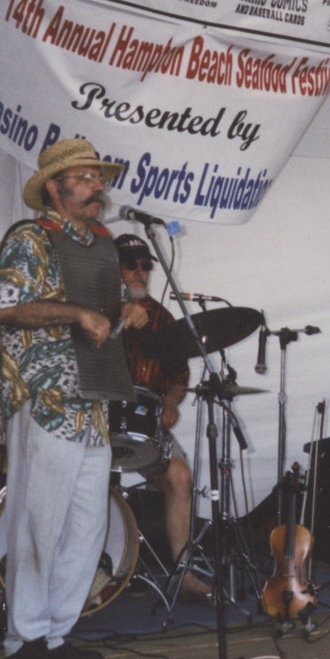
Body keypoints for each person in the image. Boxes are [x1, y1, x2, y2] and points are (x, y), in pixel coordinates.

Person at [0, 139, 148, 659]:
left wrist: (126, 312)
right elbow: (6, 307)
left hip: (94, 399)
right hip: (48, 397)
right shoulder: (30, 238)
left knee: (88, 525)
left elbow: (101, 321)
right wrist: (78, 311)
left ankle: (55, 634)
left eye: (99, 178)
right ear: (55, 188)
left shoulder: (102, 244)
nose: (98, 187)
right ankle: (23, 642)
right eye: (85, 177)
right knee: (39, 522)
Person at [114, 233, 212, 598]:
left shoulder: (161, 317)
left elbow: (177, 377)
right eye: (131, 266)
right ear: (115, 269)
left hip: (143, 424)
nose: (139, 273)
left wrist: (170, 403)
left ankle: (183, 572)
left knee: (180, 476)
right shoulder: (95, 310)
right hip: (95, 422)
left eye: (145, 266)